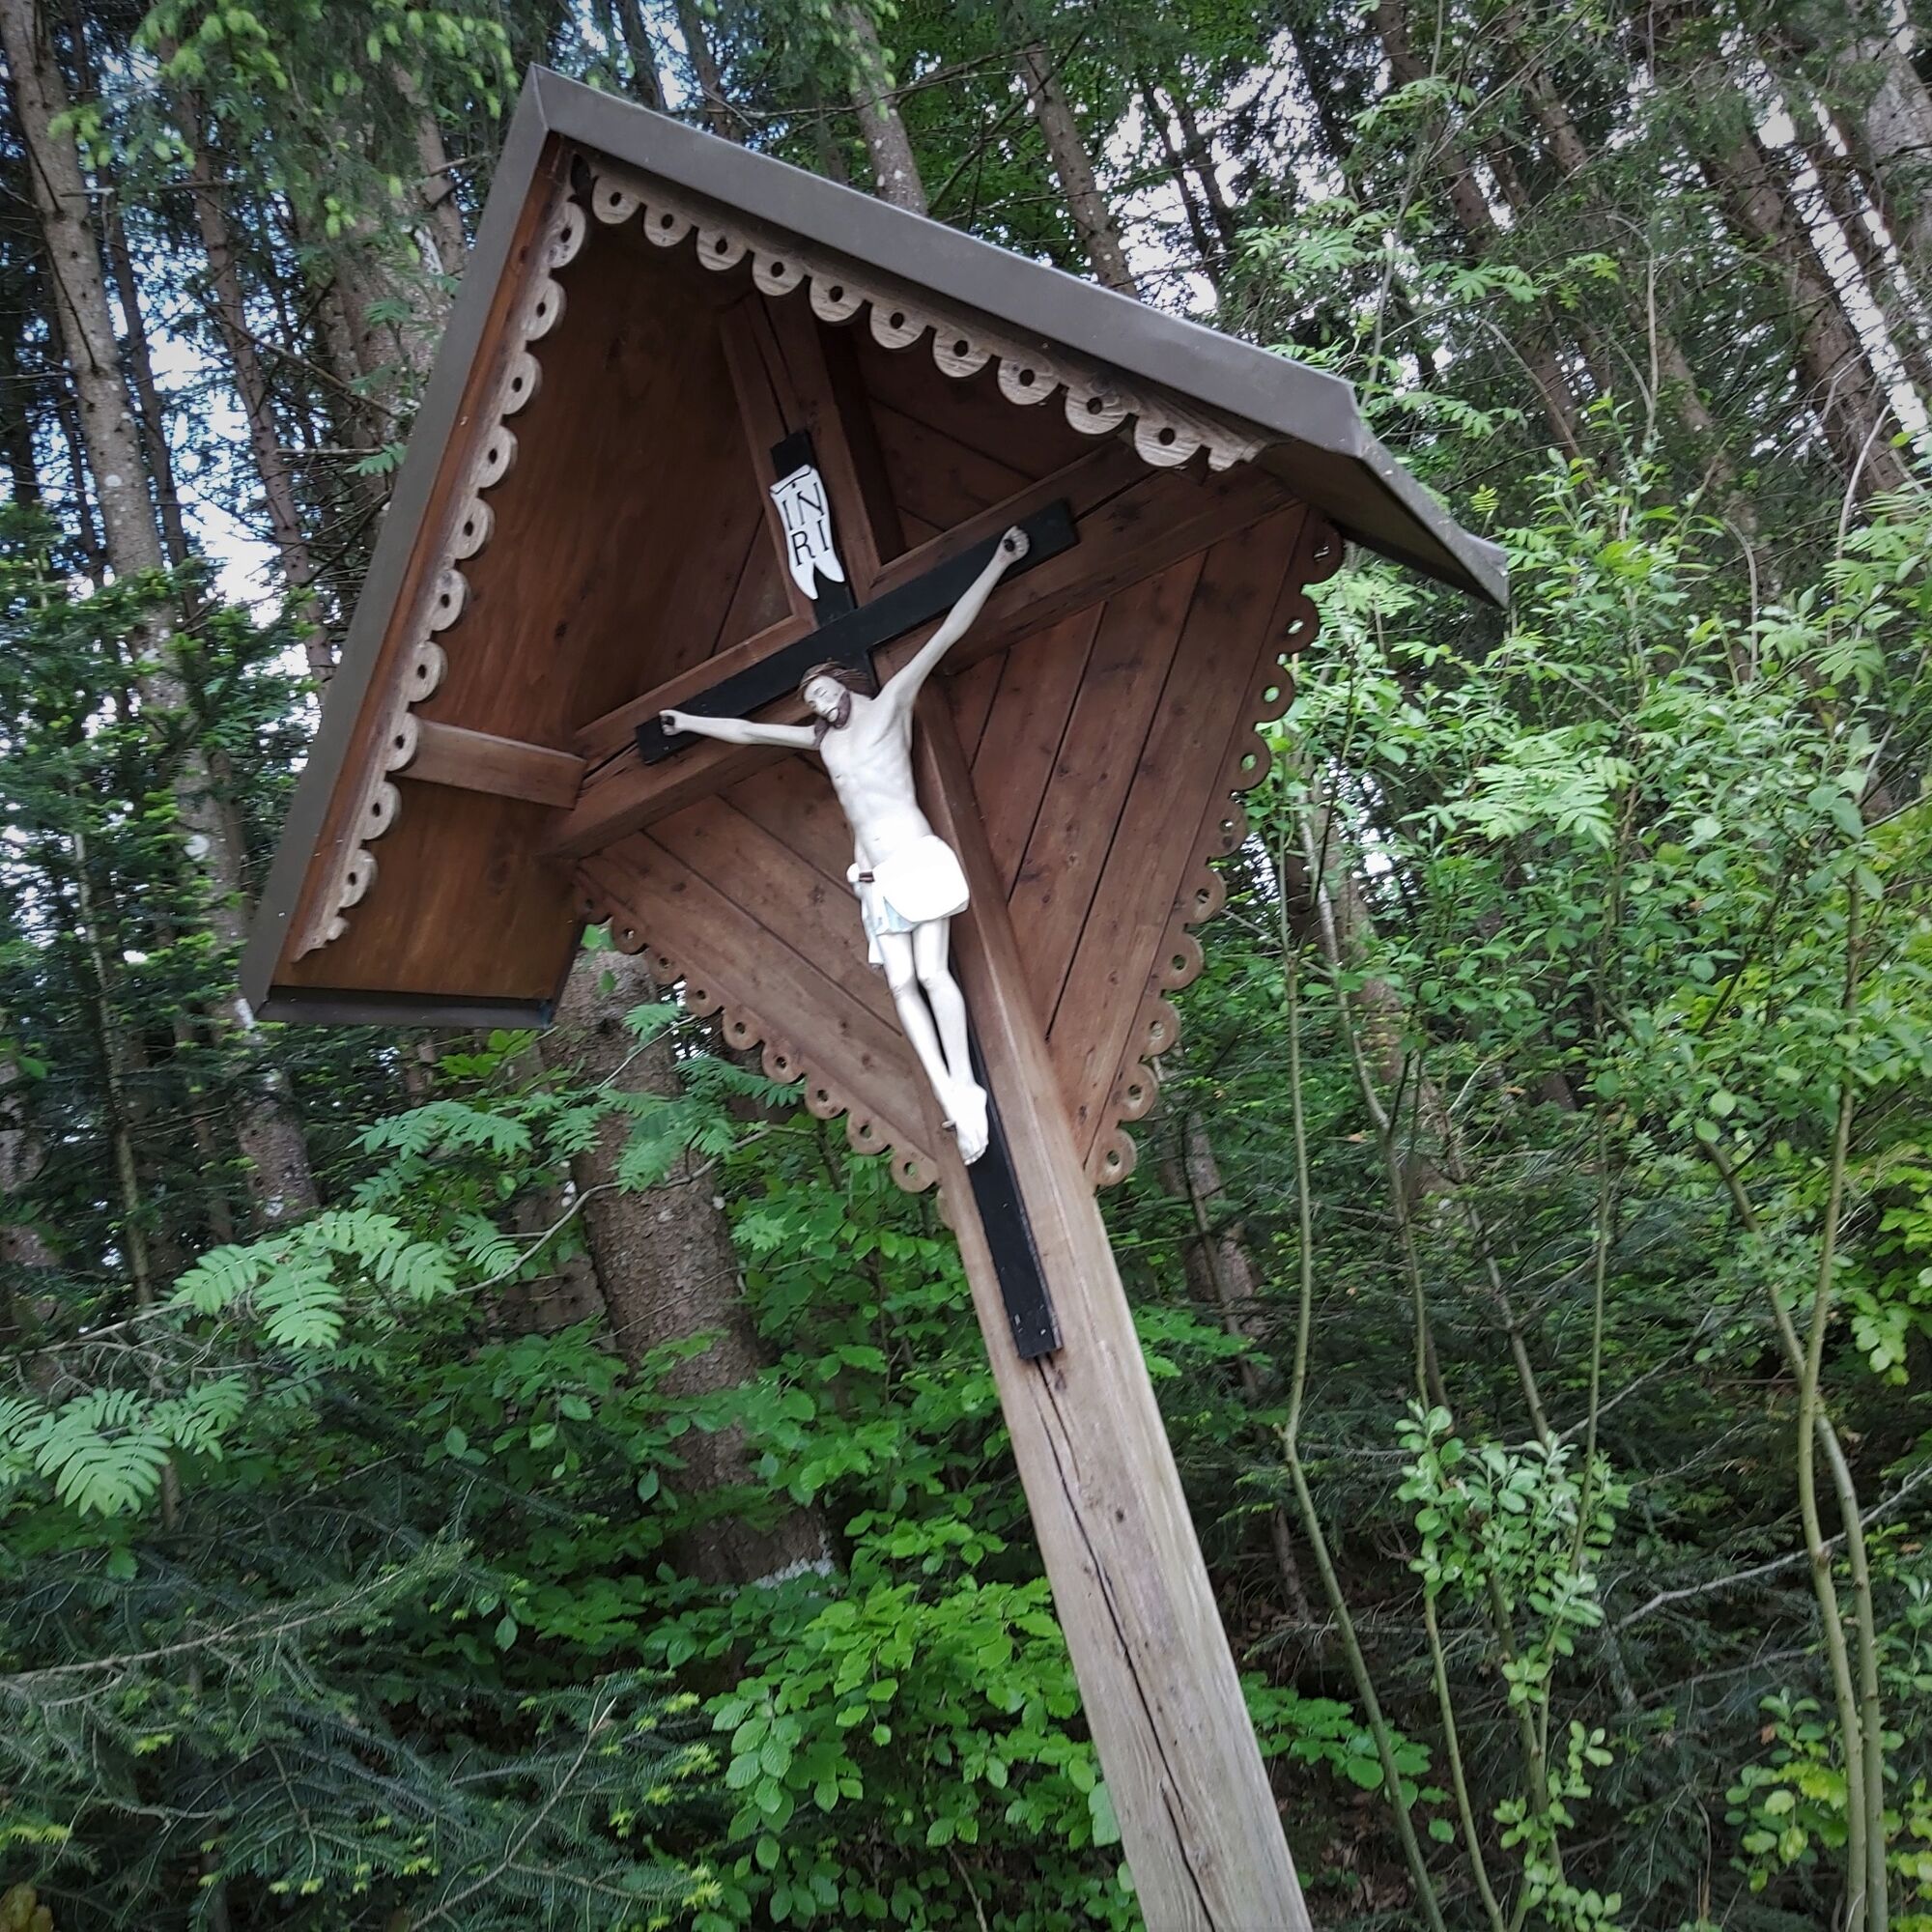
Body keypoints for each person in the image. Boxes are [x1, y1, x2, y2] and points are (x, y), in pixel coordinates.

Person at [661, 526, 1030, 1163]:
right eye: (812, 700)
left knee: (931, 972)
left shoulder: (890, 706)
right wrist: (689, 721)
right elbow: (749, 733)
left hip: (915, 858)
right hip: (876, 879)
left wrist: (998, 561)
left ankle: (966, 1082)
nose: (821, 704)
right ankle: (947, 1091)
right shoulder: (822, 743)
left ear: (844, 684)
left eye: (824, 692)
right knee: (902, 985)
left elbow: (947, 633)